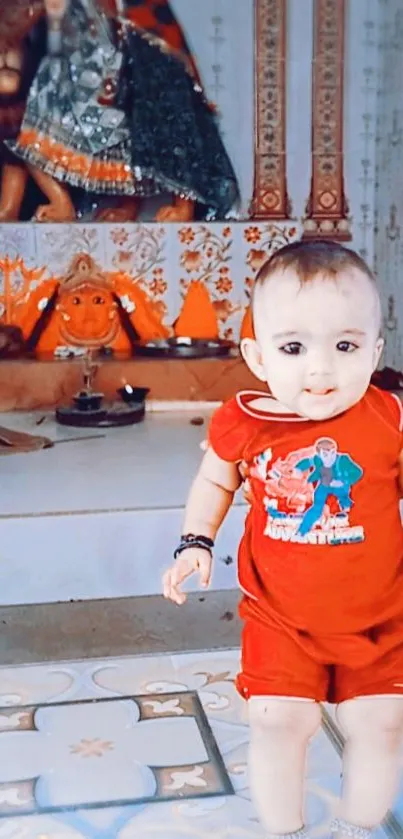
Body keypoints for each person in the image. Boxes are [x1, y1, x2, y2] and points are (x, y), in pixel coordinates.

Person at [163, 239, 403, 839]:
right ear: (258, 355)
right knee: (275, 722)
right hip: (281, 620)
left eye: (345, 346)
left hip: (380, 620)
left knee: (383, 724)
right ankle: (285, 832)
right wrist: (195, 541)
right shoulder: (243, 421)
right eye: (294, 347)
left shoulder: (389, 419)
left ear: (374, 352)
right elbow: (215, 479)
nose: (321, 368)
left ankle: (357, 827)